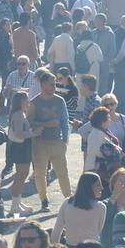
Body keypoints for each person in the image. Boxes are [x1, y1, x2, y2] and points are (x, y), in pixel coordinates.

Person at [29, 70, 72, 210]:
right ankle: (44, 200)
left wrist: (65, 141)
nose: (54, 87)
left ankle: (69, 200)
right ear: (42, 85)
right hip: (39, 143)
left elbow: (65, 122)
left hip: (57, 142)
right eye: (51, 84)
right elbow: (29, 122)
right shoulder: (34, 102)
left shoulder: (60, 101)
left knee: (62, 173)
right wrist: (44, 124)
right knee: (40, 174)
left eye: (55, 84)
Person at [51, 172, 107, 246]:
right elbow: (98, 230)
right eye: (98, 185)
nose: (102, 187)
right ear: (88, 187)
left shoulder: (67, 203)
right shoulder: (101, 207)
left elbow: (56, 231)